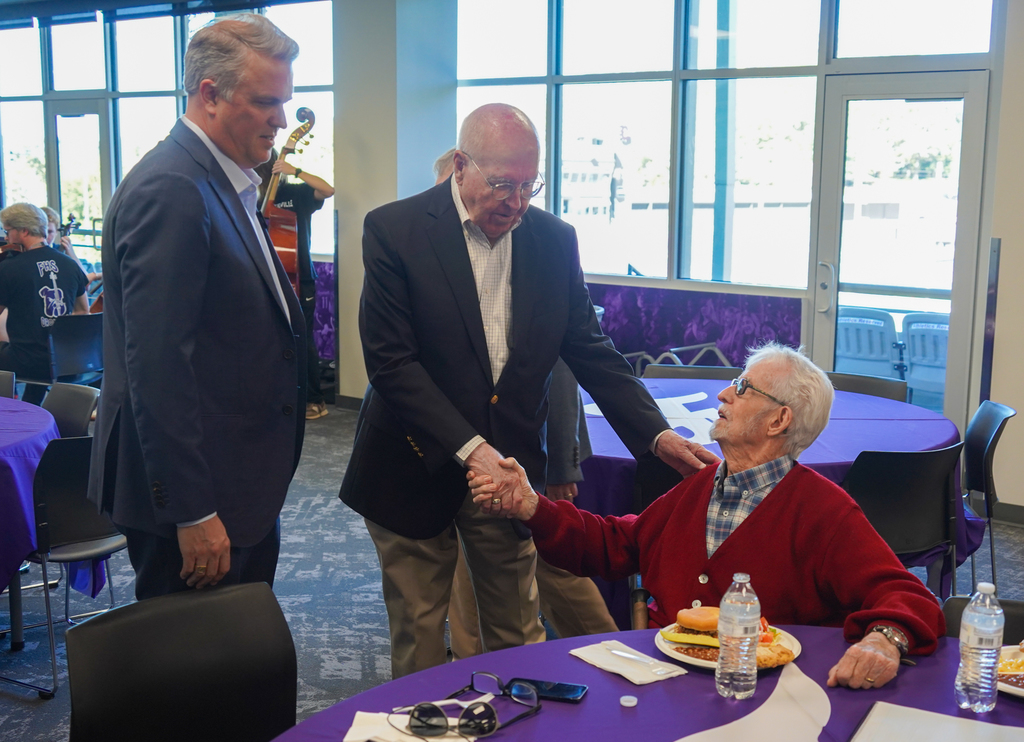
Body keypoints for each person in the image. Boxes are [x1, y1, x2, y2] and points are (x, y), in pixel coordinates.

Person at [339, 103, 718, 678]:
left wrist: (656, 433)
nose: (515, 202)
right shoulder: (395, 230)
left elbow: (590, 349)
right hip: (409, 463)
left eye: (527, 185)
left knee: (518, 630)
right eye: (501, 185)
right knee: (419, 634)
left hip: (510, 469)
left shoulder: (552, 239)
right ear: (461, 166)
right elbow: (392, 366)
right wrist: (472, 448)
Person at [469, 342, 946, 691]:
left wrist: (885, 639)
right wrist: (532, 505)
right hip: (667, 681)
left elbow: (905, 594)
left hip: (768, 695)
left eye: (742, 387)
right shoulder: (702, 485)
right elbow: (617, 544)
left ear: (778, 420)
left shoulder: (822, 510)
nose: (724, 394)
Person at [88, 13, 306, 600]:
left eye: (283, 102)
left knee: (232, 671)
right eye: (265, 102)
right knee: (192, 683)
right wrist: (192, 511)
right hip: (197, 500)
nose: (280, 120)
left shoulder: (220, 179)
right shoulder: (174, 188)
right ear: (209, 95)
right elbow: (156, 367)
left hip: (236, 485)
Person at [430, 148, 618, 656]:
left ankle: (607, 659)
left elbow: (561, 374)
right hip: (455, 463)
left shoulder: (536, 249)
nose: (501, 204)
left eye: (514, 190)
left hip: (524, 460)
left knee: (550, 575)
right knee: (468, 590)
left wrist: (562, 462)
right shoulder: (434, 251)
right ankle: (472, 680)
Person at [256, 149, 334, 420]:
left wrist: (295, 171)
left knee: (303, 340)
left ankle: (315, 400)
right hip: (270, 278)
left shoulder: (295, 194)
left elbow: (328, 189)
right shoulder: (255, 199)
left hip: (300, 278)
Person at [0, 203, 90, 404]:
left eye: (8, 231)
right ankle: (30, 406)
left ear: (23, 231)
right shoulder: (69, 264)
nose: (6, 238)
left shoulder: (9, 268)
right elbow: (84, 311)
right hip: (67, 360)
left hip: (28, 362)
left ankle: (8, 412)